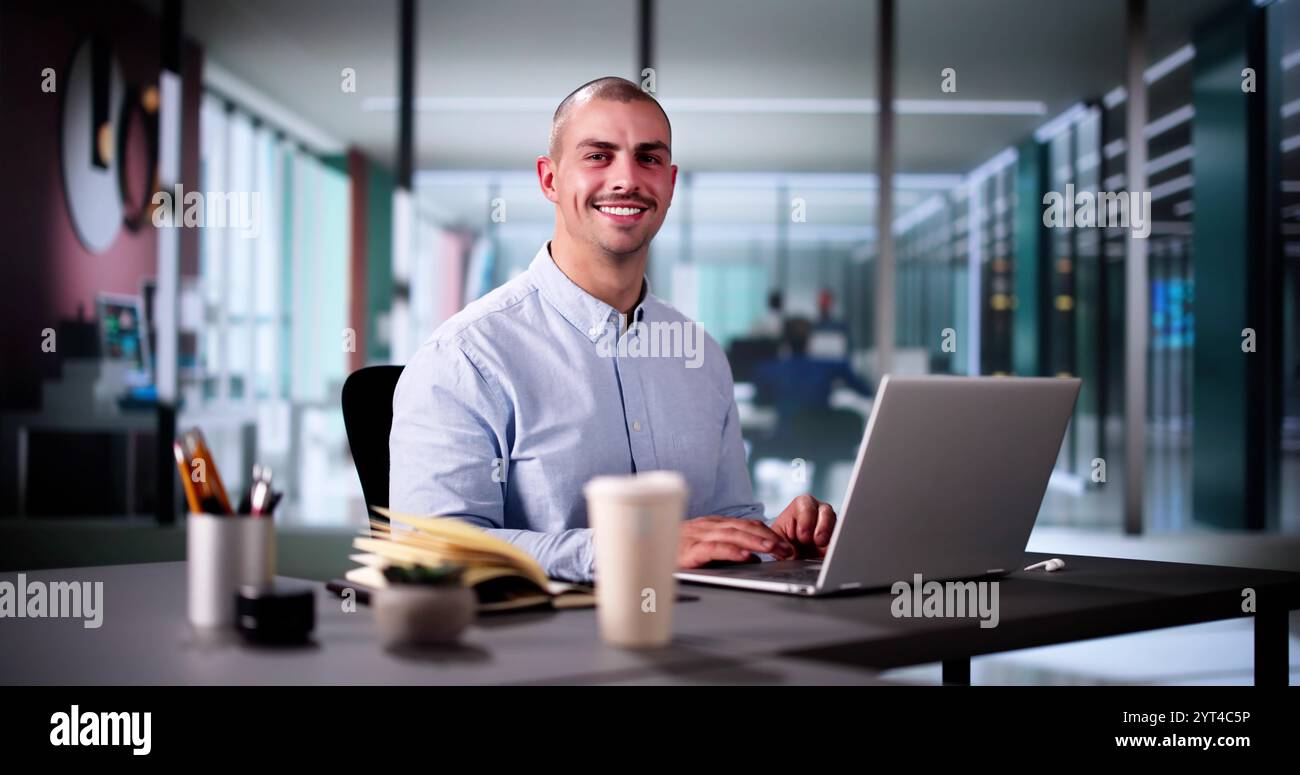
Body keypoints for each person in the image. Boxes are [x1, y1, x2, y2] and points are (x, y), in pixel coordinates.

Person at [390, 77, 836, 582]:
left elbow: (724, 521)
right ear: (550, 179)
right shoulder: (466, 356)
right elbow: (429, 549)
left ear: (669, 183)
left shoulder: (700, 354)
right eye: (599, 156)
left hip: (702, 639)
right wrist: (631, 549)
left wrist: (770, 539)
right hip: (540, 650)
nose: (626, 179)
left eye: (648, 158)